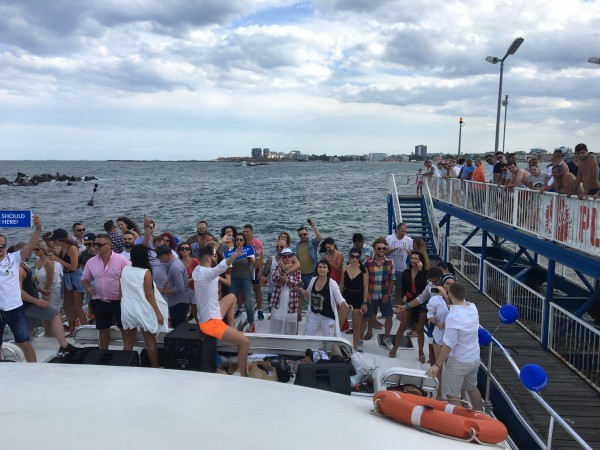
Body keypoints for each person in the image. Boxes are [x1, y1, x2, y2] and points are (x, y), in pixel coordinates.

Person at [193, 245, 249, 376]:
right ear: (208, 259)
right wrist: (235, 255)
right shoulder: (206, 273)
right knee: (245, 342)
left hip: (213, 313)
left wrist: (217, 245)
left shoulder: (197, 270)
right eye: (213, 256)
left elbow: (213, 258)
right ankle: (243, 375)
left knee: (232, 297)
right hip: (210, 323)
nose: (215, 258)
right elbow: (221, 267)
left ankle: (232, 328)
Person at [427, 283, 483, 411]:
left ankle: (459, 420)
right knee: (472, 389)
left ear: (450, 295)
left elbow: (448, 345)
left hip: (458, 362)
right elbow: (457, 305)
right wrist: (447, 296)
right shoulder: (472, 307)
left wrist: (437, 365)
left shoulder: (453, 317)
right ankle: (481, 415)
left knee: (452, 395)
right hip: (474, 358)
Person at [15, 242, 76, 356]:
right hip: (28, 304)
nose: (31, 253)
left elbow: (28, 285)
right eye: (29, 251)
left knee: (28, 329)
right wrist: (37, 301)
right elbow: (18, 291)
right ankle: (64, 346)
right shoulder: (19, 269)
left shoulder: (23, 266)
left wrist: (40, 289)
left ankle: (21, 351)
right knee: (55, 315)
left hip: (27, 303)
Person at [81, 233, 133, 350]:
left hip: (121, 301)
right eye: (95, 244)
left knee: (124, 328)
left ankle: (127, 353)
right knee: (103, 329)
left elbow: (131, 277)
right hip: (101, 300)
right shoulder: (91, 262)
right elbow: (84, 278)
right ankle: (103, 351)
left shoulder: (122, 260)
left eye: (99, 245)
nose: (96, 247)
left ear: (109, 245)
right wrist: (87, 288)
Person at [120, 244, 168, 368]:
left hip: (127, 307)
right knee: (150, 343)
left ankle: (124, 367)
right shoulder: (146, 272)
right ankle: (155, 368)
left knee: (129, 341)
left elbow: (120, 291)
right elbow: (149, 295)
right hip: (142, 308)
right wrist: (158, 313)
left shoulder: (125, 269)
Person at [388, 251, 429, 361]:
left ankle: (421, 352)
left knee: (419, 329)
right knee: (402, 326)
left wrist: (420, 271)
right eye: (412, 258)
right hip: (409, 301)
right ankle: (395, 348)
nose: (414, 261)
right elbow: (404, 288)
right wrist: (404, 296)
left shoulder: (425, 273)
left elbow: (421, 286)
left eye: (416, 259)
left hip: (420, 303)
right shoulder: (406, 272)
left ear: (420, 261)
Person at [300, 259, 351, 337]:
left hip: (327, 315)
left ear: (328, 270)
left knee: (329, 339)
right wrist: (299, 288)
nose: (322, 269)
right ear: (317, 269)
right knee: (307, 335)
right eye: (320, 267)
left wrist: (347, 306)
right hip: (314, 314)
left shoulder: (332, 283)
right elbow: (307, 294)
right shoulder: (313, 280)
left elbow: (340, 299)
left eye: (324, 267)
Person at [51, 228, 88, 334]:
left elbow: (74, 267)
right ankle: (72, 329)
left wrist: (58, 259)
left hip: (76, 278)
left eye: (55, 240)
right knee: (67, 306)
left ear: (59, 240)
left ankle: (86, 329)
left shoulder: (72, 248)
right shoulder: (62, 248)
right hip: (67, 278)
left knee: (77, 307)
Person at [426, 273, 456, 397]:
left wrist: (445, 295)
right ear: (442, 285)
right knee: (439, 366)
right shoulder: (435, 300)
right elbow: (430, 315)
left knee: (452, 368)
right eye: (447, 283)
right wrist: (437, 323)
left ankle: (456, 394)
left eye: (452, 284)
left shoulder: (459, 301)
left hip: (453, 338)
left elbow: (455, 311)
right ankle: (439, 394)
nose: (449, 286)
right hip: (439, 335)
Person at [363, 237, 395, 350]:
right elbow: (364, 280)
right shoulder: (367, 262)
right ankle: (368, 333)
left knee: (389, 316)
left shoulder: (390, 262)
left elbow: (392, 279)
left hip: (384, 294)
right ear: (374, 249)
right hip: (371, 293)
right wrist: (366, 295)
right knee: (367, 316)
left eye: (384, 248)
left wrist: (388, 294)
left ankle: (386, 337)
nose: (382, 250)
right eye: (379, 248)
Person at [339, 248, 369, 350]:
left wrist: (364, 303)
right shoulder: (344, 268)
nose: (355, 259)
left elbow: (366, 288)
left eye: (357, 257)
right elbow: (341, 285)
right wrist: (338, 299)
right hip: (346, 296)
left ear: (360, 258)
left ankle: (355, 348)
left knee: (356, 326)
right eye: (353, 256)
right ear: (349, 257)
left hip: (358, 298)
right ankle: (335, 345)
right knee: (339, 323)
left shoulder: (364, 270)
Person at [33, 240, 63, 338]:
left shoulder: (49, 262)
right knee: (44, 313)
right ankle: (48, 333)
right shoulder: (37, 260)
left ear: (43, 249)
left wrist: (46, 292)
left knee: (53, 312)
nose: (35, 251)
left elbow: (50, 278)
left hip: (52, 289)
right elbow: (37, 277)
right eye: (33, 249)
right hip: (42, 289)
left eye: (37, 249)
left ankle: (55, 334)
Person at [154, 244, 189, 328]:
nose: (160, 260)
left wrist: (163, 291)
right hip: (177, 302)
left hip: (178, 303)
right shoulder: (174, 263)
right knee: (179, 327)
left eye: (160, 257)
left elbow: (180, 288)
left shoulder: (174, 267)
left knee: (178, 329)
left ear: (164, 255)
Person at [269, 248, 302, 335]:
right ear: (282, 258)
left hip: (291, 298)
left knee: (290, 323)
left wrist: (287, 280)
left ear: (292, 257)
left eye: (289, 256)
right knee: (277, 321)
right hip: (279, 297)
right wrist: (283, 269)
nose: (287, 258)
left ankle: (290, 339)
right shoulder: (278, 266)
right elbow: (274, 277)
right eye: (285, 257)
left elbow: (299, 283)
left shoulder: (297, 268)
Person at [231, 232, 258, 332]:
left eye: (241, 240)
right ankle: (230, 322)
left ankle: (251, 323)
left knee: (247, 302)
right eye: (237, 240)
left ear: (244, 242)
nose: (239, 241)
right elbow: (227, 266)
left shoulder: (249, 251)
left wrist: (256, 257)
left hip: (246, 279)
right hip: (233, 279)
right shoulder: (231, 251)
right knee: (231, 302)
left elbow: (255, 266)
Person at [385, 223, 413, 303]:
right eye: (402, 231)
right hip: (389, 268)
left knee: (399, 289)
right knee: (387, 288)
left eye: (405, 231)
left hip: (401, 268)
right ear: (397, 230)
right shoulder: (389, 238)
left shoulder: (409, 240)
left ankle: (397, 307)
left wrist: (407, 251)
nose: (403, 233)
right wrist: (391, 251)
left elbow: (412, 254)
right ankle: (386, 305)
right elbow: (384, 253)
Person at [243, 224, 265, 321]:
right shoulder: (241, 241)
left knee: (257, 289)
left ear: (252, 232)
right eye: (244, 231)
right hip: (243, 269)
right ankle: (240, 309)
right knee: (244, 291)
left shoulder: (257, 243)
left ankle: (260, 310)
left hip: (254, 268)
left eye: (247, 231)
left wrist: (260, 270)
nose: (245, 233)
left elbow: (261, 257)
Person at [295, 220, 322, 290]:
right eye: (300, 235)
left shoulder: (312, 243)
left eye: (304, 234)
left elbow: (319, 237)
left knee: (311, 294)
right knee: (300, 294)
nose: (303, 236)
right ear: (298, 236)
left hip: (311, 276)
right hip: (300, 276)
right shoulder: (297, 245)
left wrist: (313, 226)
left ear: (308, 234)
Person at [177, 241, 200, 321]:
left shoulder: (194, 261)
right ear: (179, 251)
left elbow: (200, 273)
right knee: (184, 311)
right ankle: (185, 326)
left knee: (195, 310)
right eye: (182, 249)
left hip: (194, 288)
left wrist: (190, 279)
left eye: (187, 249)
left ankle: (200, 326)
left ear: (190, 251)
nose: (184, 250)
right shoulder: (178, 262)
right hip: (183, 289)